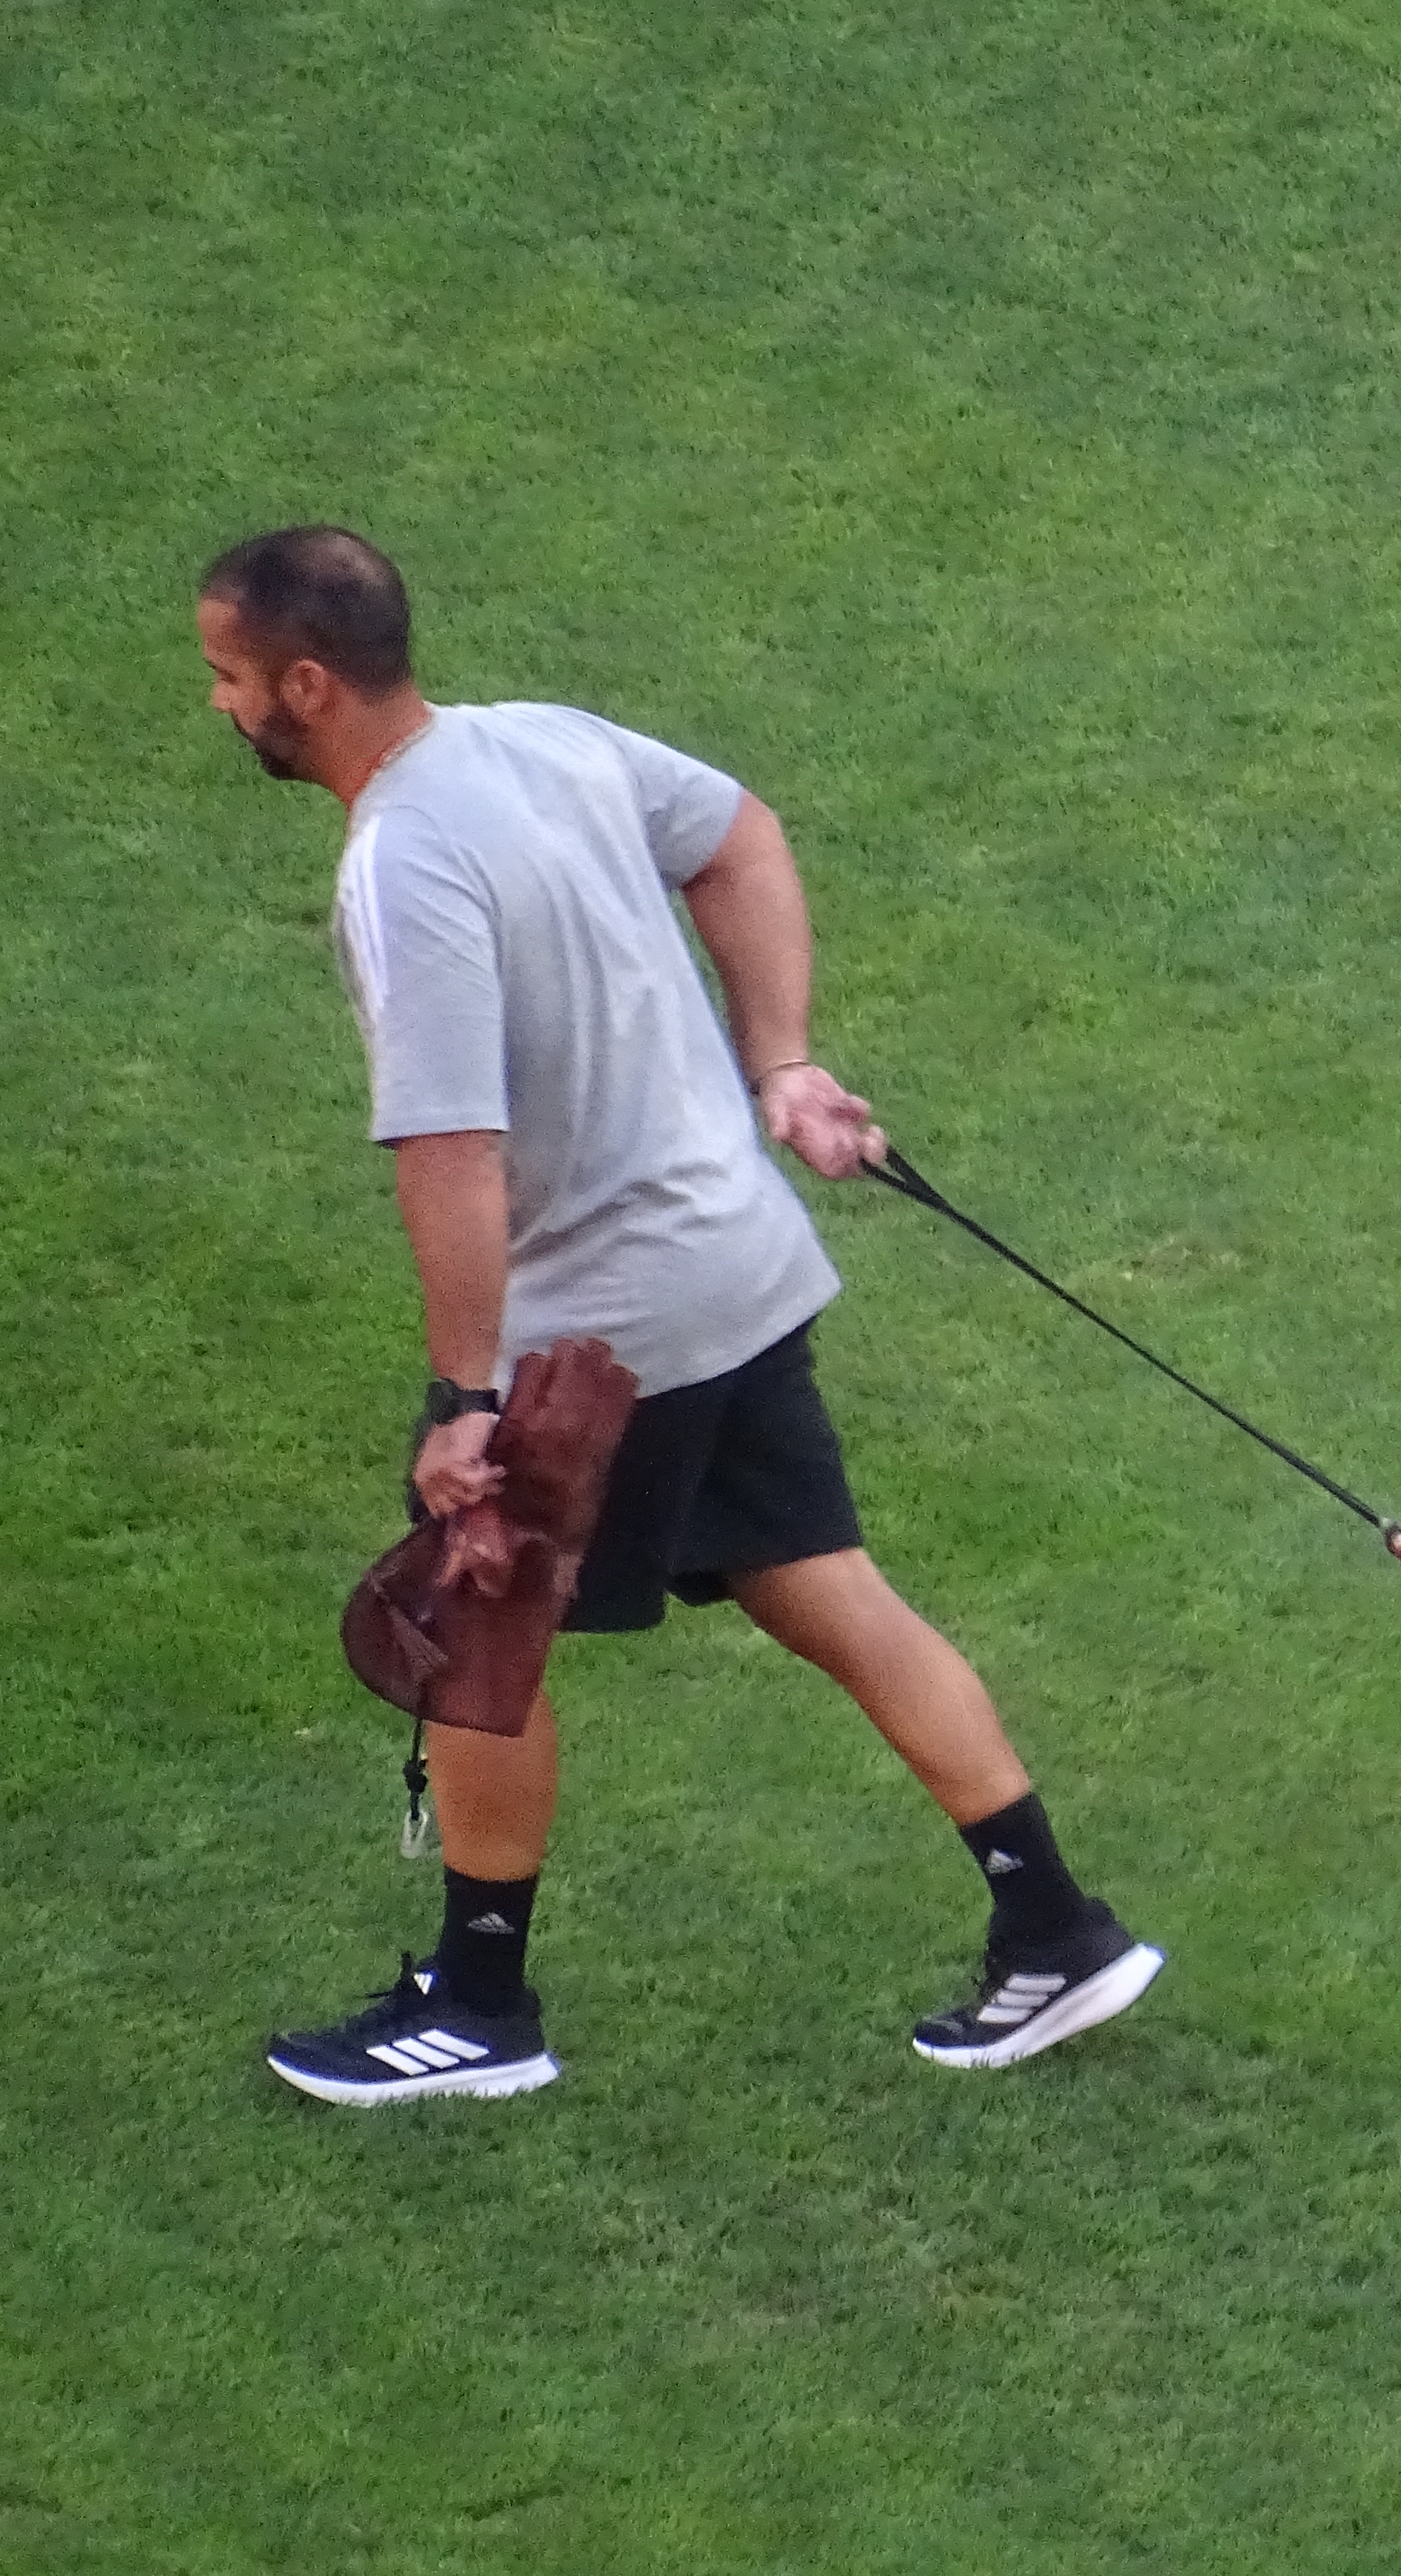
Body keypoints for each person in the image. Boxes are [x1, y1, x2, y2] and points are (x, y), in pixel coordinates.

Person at [201, 526, 1160, 2104]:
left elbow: (452, 1154)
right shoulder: (547, 743)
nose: (223, 708)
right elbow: (741, 833)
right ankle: (1055, 1928)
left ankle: (481, 2013)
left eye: (231, 679)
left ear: (307, 683)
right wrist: (780, 1060)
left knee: (473, 1624)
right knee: (819, 1587)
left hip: (605, 1323)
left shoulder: (403, 861)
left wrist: (464, 1399)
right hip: (736, 1262)